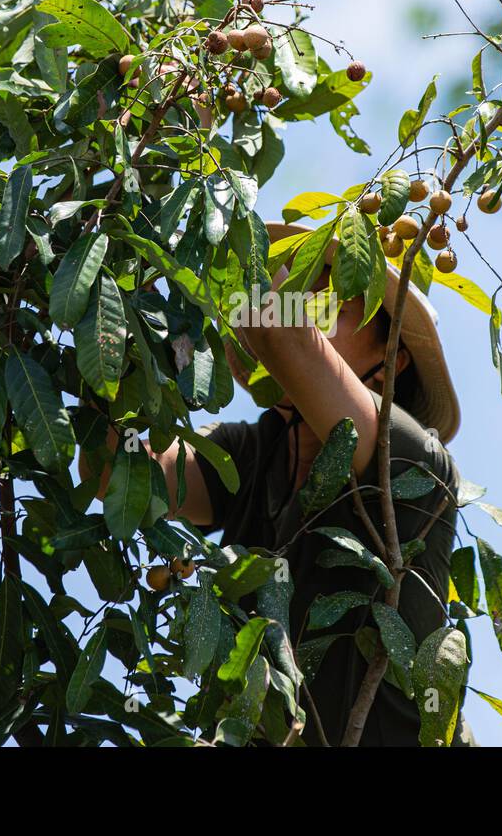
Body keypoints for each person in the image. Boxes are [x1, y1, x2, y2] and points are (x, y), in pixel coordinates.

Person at [101, 222, 467, 745]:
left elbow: (278, 333)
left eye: (330, 299)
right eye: (297, 287)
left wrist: (204, 239)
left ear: (390, 364)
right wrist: (110, 308)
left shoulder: (414, 462)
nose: (303, 303)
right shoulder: (254, 453)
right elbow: (118, 472)